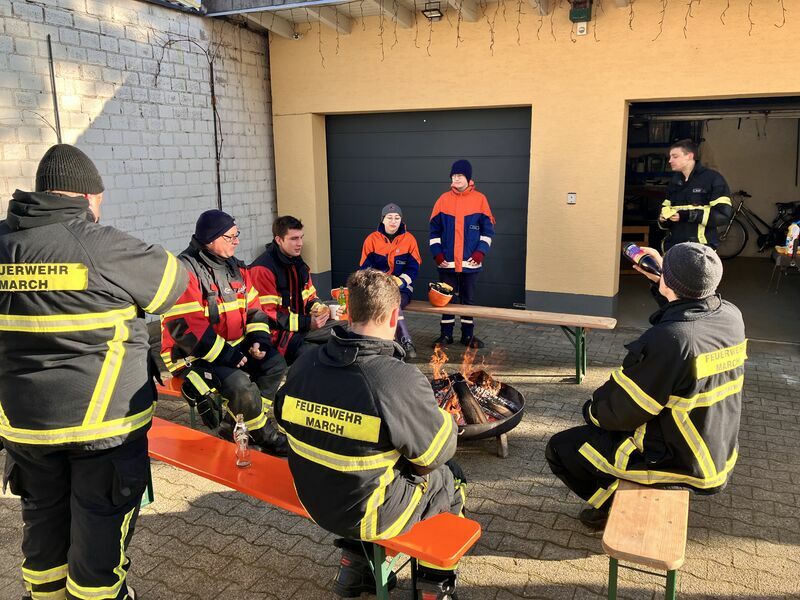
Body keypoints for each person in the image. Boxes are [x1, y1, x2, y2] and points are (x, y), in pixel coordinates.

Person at [0, 144, 188, 600]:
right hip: (103, 428)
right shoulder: (102, 245)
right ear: (88, 197)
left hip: (25, 426)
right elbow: (173, 281)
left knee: (43, 521)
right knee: (99, 527)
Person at [274, 268, 466, 599]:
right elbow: (434, 455)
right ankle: (434, 585)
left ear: (349, 314)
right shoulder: (396, 379)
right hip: (367, 513)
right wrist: (446, 421)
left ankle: (355, 569)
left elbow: (283, 422)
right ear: (394, 316)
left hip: (314, 499)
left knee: (366, 470)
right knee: (450, 480)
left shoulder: (305, 364)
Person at [546, 243, 746, 530]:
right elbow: (689, 317)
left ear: (669, 282)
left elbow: (621, 412)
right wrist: (663, 283)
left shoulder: (670, 341)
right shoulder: (730, 315)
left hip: (675, 460)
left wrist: (591, 410)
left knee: (561, 448)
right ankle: (618, 499)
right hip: (716, 450)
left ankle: (612, 507)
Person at [160, 209, 288, 456]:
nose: (236, 241)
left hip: (230, 349)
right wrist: (228, 355)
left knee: (274, 364)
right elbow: (187, 329)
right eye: (230, 237)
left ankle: (235, 424)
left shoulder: (235, 268)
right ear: (211, 239)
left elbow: (254, 309)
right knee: (240, 384)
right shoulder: (185, 271)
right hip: (192, 356)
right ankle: (265, 434)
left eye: (237, 234)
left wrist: (258, 340)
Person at [249, 215, 335, 365]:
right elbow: (268, 316)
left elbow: (310, 296)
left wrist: (320, 309)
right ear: (279, 240)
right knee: (319, 356)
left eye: (301, 237)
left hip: (302, 327)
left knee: (347, 330)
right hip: (280, 337)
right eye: (294, 239)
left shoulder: (298, 264)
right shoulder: (262, 270)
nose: (300, 243)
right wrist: (307, 323)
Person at [429, 159, 495, 348]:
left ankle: (467, 336)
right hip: (447, 262)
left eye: (460, 175)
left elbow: (488, 231)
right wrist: (437, 254)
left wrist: (480, 252)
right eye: (454, 176)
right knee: (446, 298)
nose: (456, 179)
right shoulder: (443, 200)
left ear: (468, 178)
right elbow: (434, 231)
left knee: (468, 300)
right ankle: (446, 335)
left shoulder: (480, 200)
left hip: (470, 262)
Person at [359, 202, 422, 359]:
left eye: (397, 218)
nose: (393, 221)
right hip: (378, 288)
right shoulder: (371, 240)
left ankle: (404, 341)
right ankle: (393, 342)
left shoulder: (409, 240)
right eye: (389, 217)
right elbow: (365, 268)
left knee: (393, 302)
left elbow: (414, 268)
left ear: (401, 220)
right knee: (377, 304)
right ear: (383, 219)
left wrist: (401, 281)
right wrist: (380, 282)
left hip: (402, 288)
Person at [659, 139, 733, 251]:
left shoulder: (713, 179)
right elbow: (665, 209)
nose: (670, 160)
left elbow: (722, 216)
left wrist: (687, 215)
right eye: (670, 157)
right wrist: (663, 219)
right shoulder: (674, 182)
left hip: (701, 248)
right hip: (673, 247)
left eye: (675, 156)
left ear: (689, 156)